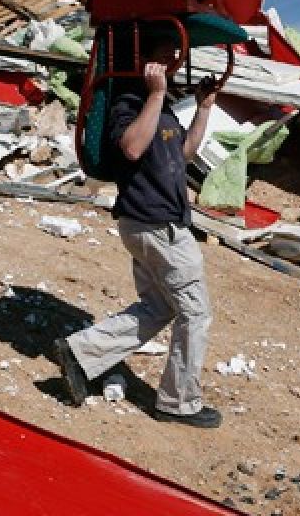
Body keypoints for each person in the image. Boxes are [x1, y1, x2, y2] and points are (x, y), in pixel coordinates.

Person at [54, 32, 222, 428]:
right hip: (155, 223)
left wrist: (203, 109)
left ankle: (81, 354)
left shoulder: (160, 109)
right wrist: (155, 93)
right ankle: (178, 403)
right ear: (143, 59)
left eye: (174, 55)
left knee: (159, 307)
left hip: (156, 223)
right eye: (163, 53)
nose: (171, 60)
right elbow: (131, 147)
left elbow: (183, 153)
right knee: (195, 313)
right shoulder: (131, 102)